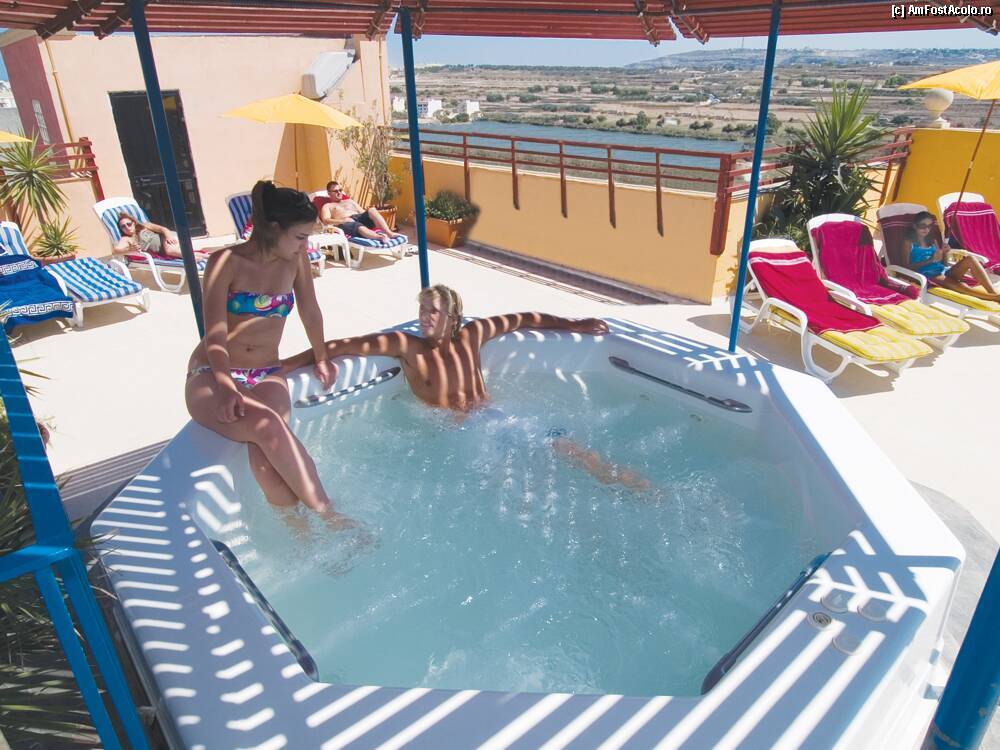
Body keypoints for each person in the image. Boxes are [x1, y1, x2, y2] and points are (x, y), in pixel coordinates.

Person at [282, 284, 650, 490]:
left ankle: (639, 488)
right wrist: (287, 365)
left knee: (574, 451)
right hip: (465, 434)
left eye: (433, 311)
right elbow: (344, 345)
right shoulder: (407, 347)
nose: (424, 317)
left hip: (503, 417)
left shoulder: (471, 335)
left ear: (453, 317)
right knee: (532, 482)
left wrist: (574, 325)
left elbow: (523, 319)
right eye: (422, 309)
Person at [185, 181, 347, 524]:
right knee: (269, 426)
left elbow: (310, 311)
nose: (306, 245)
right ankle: (331, 519)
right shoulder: (225, 262)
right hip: (212, 373)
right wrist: (226, 386)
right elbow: (214, 333)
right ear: (274, 228)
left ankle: (301, 534)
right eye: (300, 236)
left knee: (265, 459)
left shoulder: (296, 261)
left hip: (265, 373)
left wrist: (321, 357)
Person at [906, 211, 1000, 302]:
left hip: (943, 272)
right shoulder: (909, 243)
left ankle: (992, 292)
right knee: (961, 285)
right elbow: (906, 267)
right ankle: (995, 298)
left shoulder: (933, 241)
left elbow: (944, 263)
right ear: (915, 226)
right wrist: (930, 260)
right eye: (922, 226)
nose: (926, 229)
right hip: (929, 275)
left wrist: (945, 253)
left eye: (929, 226)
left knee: (970, 259)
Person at [319, 180, 404, 241]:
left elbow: (363, 212)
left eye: (340, 190)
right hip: (346, 223)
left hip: (358, 218)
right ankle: (380, 237)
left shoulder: (349, 201)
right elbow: (325, 220)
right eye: (335, 191)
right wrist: (343, 221)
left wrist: (371, 216)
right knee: (356, 224)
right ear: (329, 193)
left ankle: (389, 233)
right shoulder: (327, 206)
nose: (339, 193)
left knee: (371, 210)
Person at [114, 213, 210, 261]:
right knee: (180, 252)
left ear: (134, 223)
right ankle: (208, 257)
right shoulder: (126, 239)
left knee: (171, 251)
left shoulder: (144, 225)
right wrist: (130, 249)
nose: (127, 227)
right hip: (165, 249)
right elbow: (116, 250)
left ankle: (200, 259)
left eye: (129, 224)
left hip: (167, 238)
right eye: (123, 226)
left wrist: (168, 236)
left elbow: (163, 229)